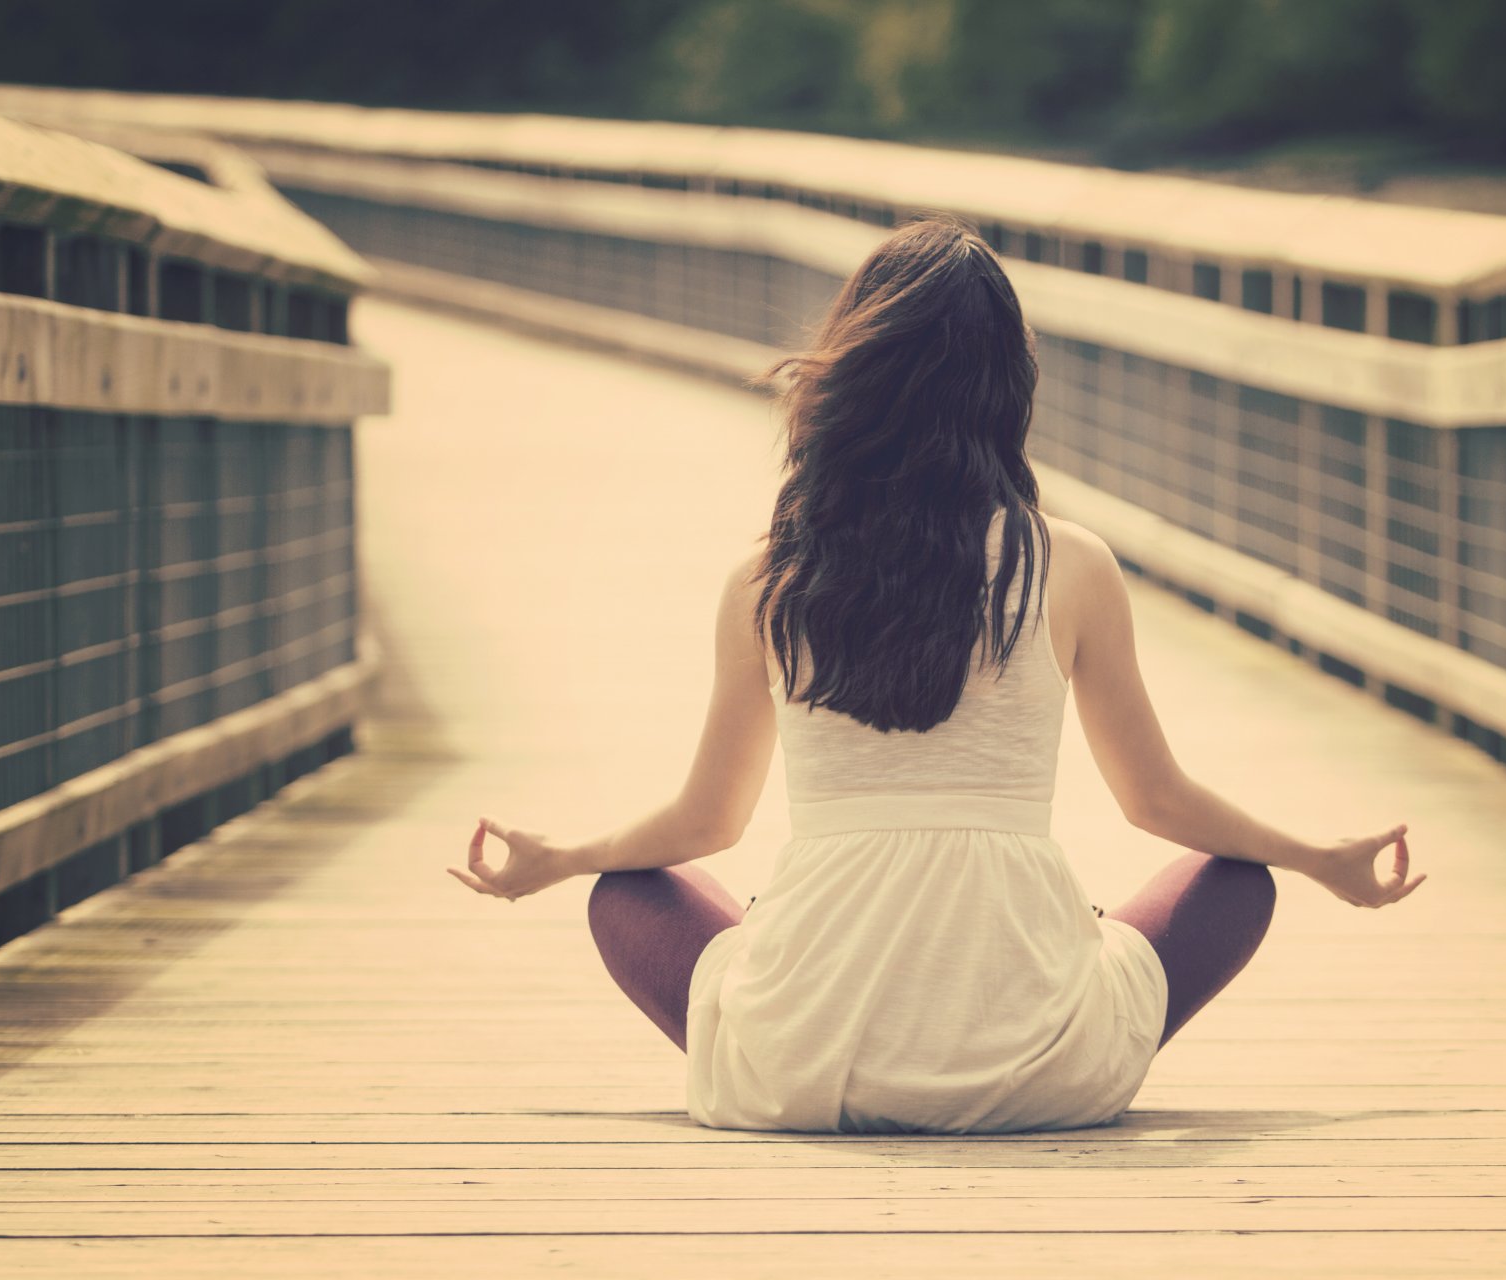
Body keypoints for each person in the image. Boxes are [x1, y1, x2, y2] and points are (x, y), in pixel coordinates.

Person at [448, 215, 1424, 1134]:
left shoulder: (769, 577)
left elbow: (707, 824)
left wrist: (566, 855)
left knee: (624, 893)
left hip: (806, 1066)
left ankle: (811, 1006)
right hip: (1040, 1070)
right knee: (1238, 881)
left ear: (848, 378)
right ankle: (1026, 1012)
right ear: (1008, 387)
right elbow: (1157, 798)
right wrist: (1315, 854)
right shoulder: (1071, 564)